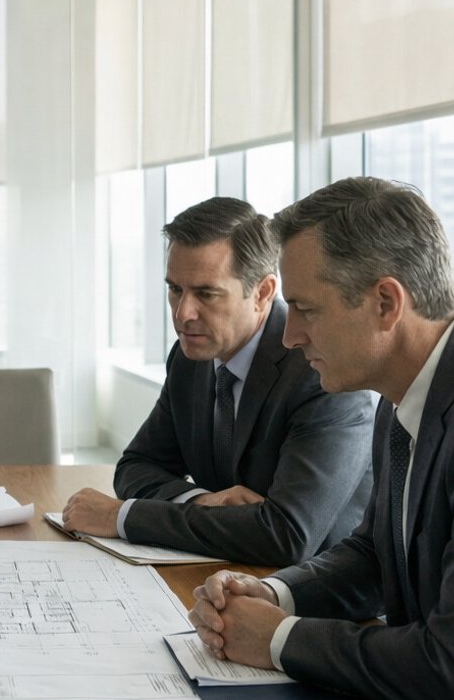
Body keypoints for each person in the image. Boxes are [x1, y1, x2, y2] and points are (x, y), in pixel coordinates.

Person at [191, 176, 454, 700]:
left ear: (386, 302)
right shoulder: (399, 396)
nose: (290, 336)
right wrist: (275, 595)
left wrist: (281, 639)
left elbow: (447, 666)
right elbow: (378, 556)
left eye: (306, 309)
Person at [62, 196, 373, 565]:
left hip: (311, 595)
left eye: (206, 293)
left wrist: (123, 517)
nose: (183, 313)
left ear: (262, 293)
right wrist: (200, 500)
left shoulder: (320, 371)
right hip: (220, 574)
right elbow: (137, 465)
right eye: (175, 289)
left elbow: (285, 535)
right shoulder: (190, 358)